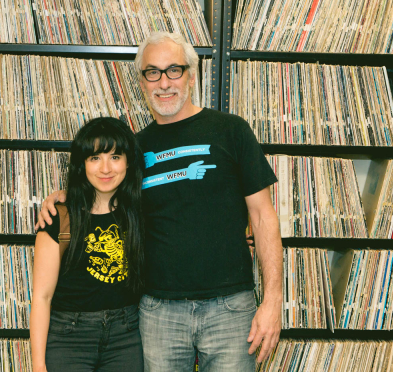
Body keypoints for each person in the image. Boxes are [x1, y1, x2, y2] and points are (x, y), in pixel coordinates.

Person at [38, 31, 282, 372]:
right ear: (142, 82)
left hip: (230, 307)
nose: (163, 82)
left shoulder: (232, 131)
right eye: (152, 72)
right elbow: (103, 187)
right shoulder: (134, 148)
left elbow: (263, 215)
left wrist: (272, 301)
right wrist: (66, 195)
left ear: (192, 76)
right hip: (158, 313)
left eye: (174, 70)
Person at [30, 117, 145, 372]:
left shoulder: (140, 213)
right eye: (95, 158)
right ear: (82, 164)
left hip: (126, 336)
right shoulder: (59, 218)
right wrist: (38, 365)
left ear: (128, 162)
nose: (105, 168)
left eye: (115, 157)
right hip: (69, 337)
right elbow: (42, 296)